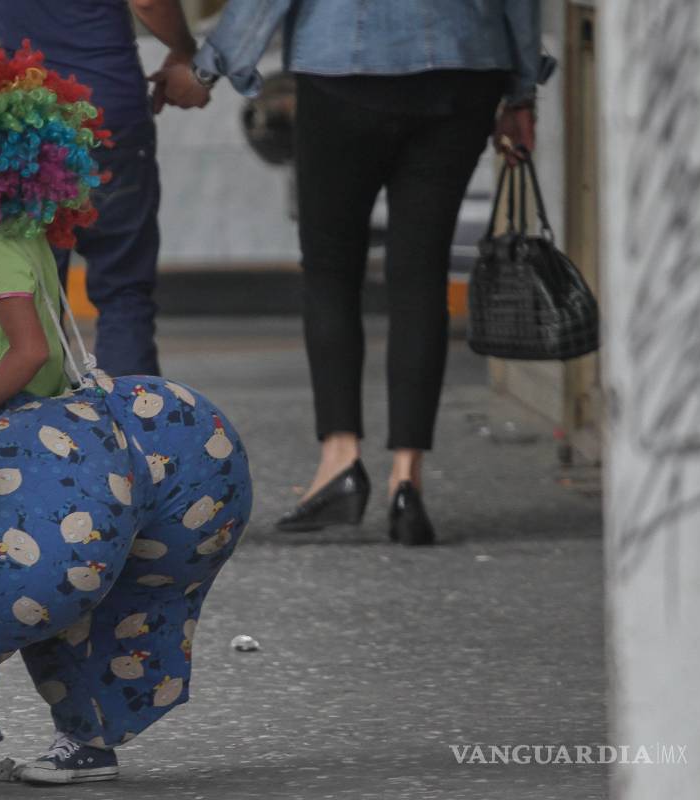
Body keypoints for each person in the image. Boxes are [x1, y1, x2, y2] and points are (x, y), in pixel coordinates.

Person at [0, 35, 252, 785]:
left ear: (6, 167)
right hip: (62, 443)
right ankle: (85, 743)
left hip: (23, 451)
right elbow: (2, 344)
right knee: (66, 607)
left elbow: (28, 353)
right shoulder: (8, 237)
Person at [157, 0, 542, 545]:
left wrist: (206, 69)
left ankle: (340, 460)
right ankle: (407, 480)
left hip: (343, 68)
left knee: (331, 271)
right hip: (464, 70)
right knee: (421, 273)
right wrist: (522, 89)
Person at [0, 0, 208, 378]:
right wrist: (185, 49)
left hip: (15, 118)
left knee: (32, 301)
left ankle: (42, 431)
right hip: (103, 109)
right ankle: (131, 427)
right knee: (123, 290)